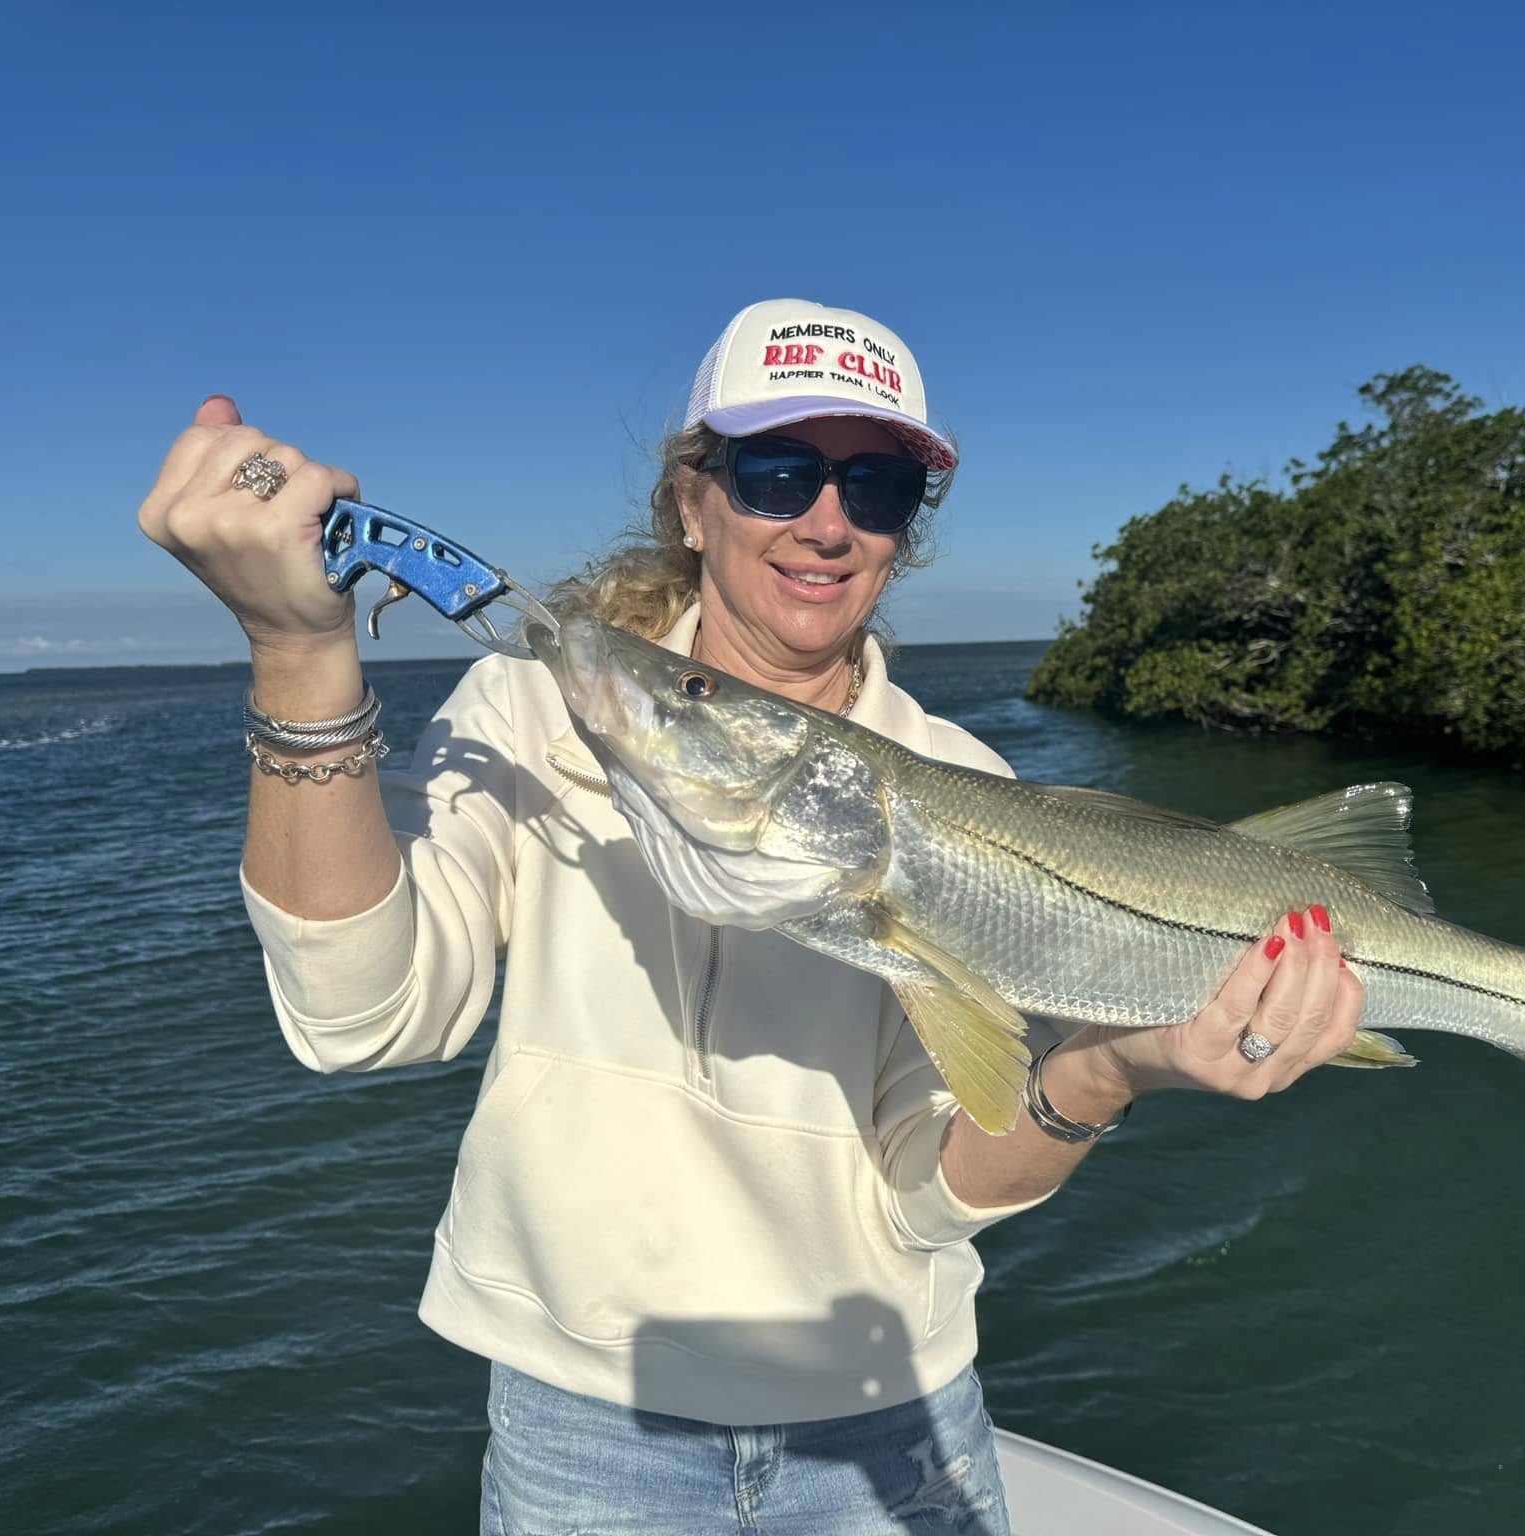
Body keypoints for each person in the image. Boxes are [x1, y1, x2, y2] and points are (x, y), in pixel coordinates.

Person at [136, 298, 1366, 1534]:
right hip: (583, 1418)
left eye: (876, 488)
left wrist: (1109, 1071)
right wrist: (297, 657)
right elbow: (363, 1018)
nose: (826, 524)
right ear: (693, 496)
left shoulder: (965, 783)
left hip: (894, 1407)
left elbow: (928, 1195)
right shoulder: (531, 706)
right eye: (777, 473)